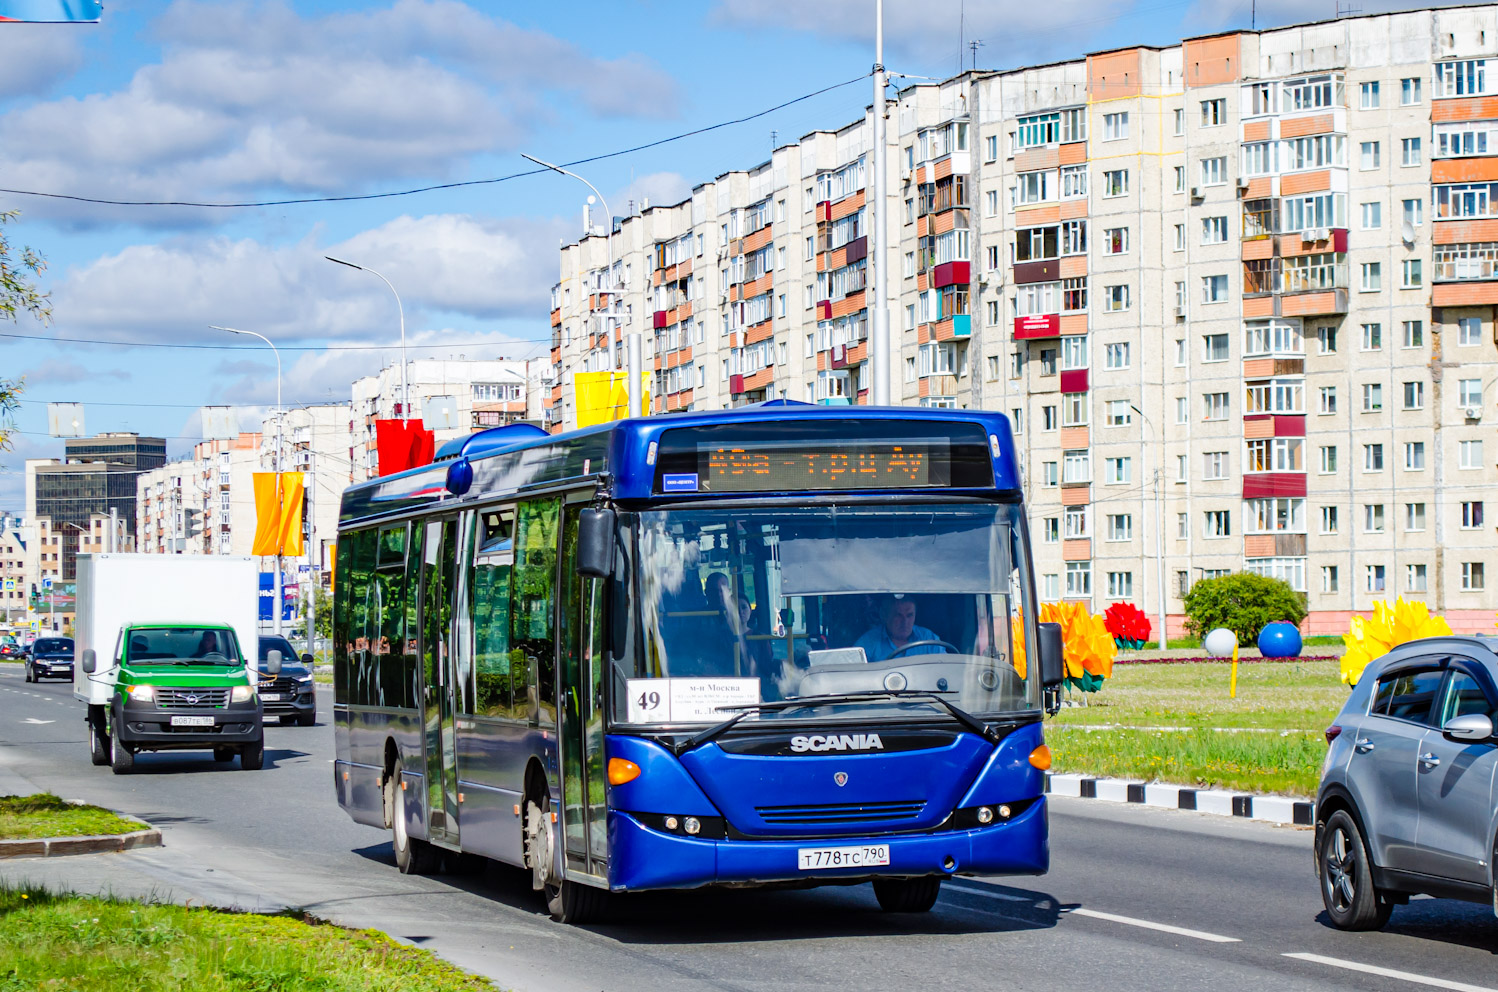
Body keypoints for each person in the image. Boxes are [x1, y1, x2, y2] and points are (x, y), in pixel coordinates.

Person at [854, 595, 945, 662]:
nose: (905, 622)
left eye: (910, 615)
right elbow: (856, 674)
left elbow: (944, 669)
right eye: (898, 616)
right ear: (884, 615)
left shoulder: (929, 639)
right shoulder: (868, 642)